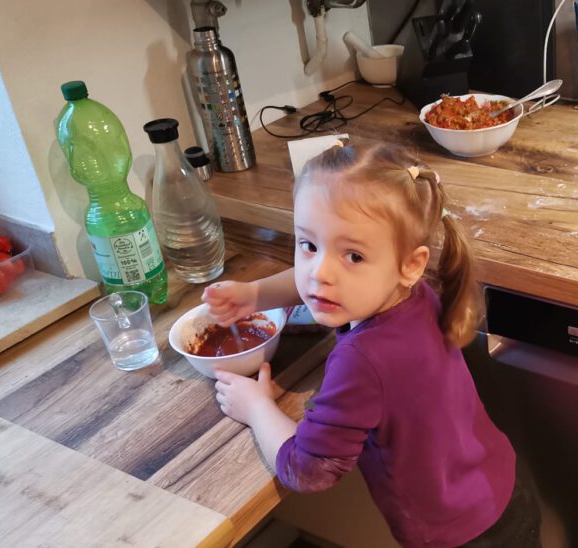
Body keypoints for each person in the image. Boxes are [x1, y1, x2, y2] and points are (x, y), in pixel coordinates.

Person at [203, 141, 540, 547]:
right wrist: (254, 295)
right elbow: (315, 281)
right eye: (308, 244)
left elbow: (306, 470)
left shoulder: (362, 360)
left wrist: (257, 407)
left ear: (410, 264)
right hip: (502, 492)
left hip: (459, 538)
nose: (319, 273)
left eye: (354, 256)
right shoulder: (412, 293)